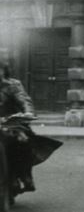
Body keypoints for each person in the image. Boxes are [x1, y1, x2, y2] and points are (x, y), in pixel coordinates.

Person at [0, 60, 36, 193]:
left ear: (4, 71)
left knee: (24, 142)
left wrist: (28, 112)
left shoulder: (13, 85)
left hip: (11, 123)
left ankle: (25, 174)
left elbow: (24, 100)